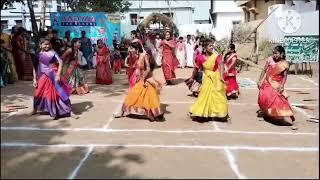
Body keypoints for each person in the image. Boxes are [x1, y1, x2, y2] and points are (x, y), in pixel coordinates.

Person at [113, 42, 163, 121]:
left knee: (139, 96)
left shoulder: (144, 55)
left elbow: (148, 68)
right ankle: (123, 111)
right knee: (135, 95)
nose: (130, 49)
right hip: (137, 78)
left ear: (136, 49)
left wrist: (143, 79)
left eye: (132, 48)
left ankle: (122, 111)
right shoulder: (137, 56)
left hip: (144, 79)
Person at [30, 38, 72, 120]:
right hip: (42, 75)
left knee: (59, 92)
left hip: (53, 74)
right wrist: (34, 79)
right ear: (40, 45)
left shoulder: (52, 52)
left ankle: (61, 110)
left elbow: (60, 62)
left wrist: (58, 75)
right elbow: (34, 67)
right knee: (38, 92)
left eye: (48, 44)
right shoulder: (38, 54)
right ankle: (35, 109)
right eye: (45, 44)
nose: (47, 46)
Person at [189, 38, 229, 121]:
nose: (212, 47)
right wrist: (192, 78)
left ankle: (220, 113)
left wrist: (221, 76)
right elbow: (196, 69)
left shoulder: (216, 55)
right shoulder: (200, 58)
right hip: (206, 79)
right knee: (205, 95)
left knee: (217, 96)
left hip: (216, 78)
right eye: (210, 46)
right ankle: (201, 112)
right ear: (204, 48)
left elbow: (221, 64)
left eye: (212, 46)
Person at [257, 45, 296, 130]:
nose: (274, 55)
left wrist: (282, 85)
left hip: (277, 84)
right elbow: (264, 70)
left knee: (281, 100)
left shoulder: (285, 64)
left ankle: (291, 118)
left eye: (276, 53)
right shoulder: (270, 59)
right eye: (273, 53)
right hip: (267, 82)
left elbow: (284, 76)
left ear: (282, 54)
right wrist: (260, 80)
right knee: (264, 98)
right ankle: (268, 114)